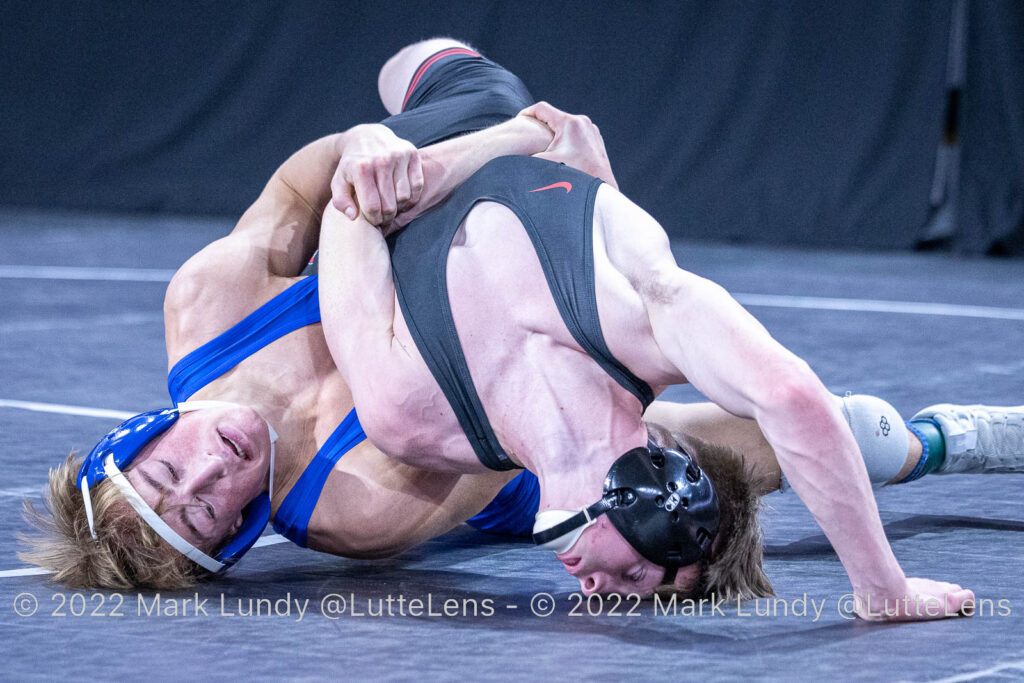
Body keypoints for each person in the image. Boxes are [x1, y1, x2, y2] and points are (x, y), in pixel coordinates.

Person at [20, 40, 1021, 623]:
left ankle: (451, 99)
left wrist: (372, 149)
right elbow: (523, 423)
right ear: (239, 533)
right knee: (803, 440)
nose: (214, 471)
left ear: (139, 437)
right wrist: (532, 156)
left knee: (430, 72)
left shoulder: (208, 305)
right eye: (208, 511)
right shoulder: (352, 506)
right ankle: (945, 441)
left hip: (431, 256)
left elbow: (306, 186)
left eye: (169, 472)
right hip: (509, 448)